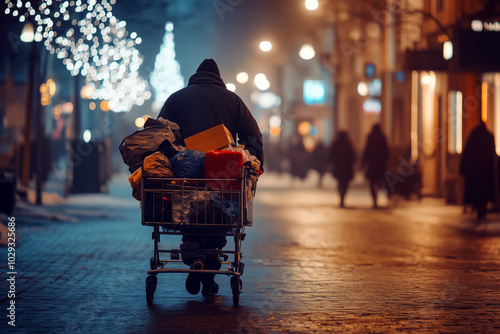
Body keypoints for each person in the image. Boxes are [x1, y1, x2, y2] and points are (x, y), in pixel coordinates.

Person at [158, 59, 263, 297]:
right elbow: (253, 134)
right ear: (218, 77)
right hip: (222, 172)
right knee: (220, 216)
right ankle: (209, 270)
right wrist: (256, 162)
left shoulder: (177, 98)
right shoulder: (233, 100)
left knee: (190, 212)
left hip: (185, 175)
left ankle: (193, 251)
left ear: (196, 76)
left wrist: (171, 157)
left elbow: (159, 133)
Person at [459, 121, 497, 219]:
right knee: (483, 191)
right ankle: (481, 207)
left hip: (475, 172)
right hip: (485, 171)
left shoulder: (473, 137)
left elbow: (467, 154)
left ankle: (478, 206)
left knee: (476, 191)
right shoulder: (488, 136)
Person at [361, 123, 389, 208]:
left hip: (372, 164)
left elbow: (367, 150)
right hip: (380, 164)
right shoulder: (382, 137)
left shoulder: (370, 137)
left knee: (372, 182)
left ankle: (374, 198)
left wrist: (363, 162)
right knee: (379, 180)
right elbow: (386, 151)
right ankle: (377, 195)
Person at [329, 131, 356, 207]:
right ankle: (343, 197)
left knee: (340, 182)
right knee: (345, 183)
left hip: (338, 167)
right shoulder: (348, 144)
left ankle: (341, 198)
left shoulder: (336, 144)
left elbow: (331, 155)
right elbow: (353, 156)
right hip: (347, 167)